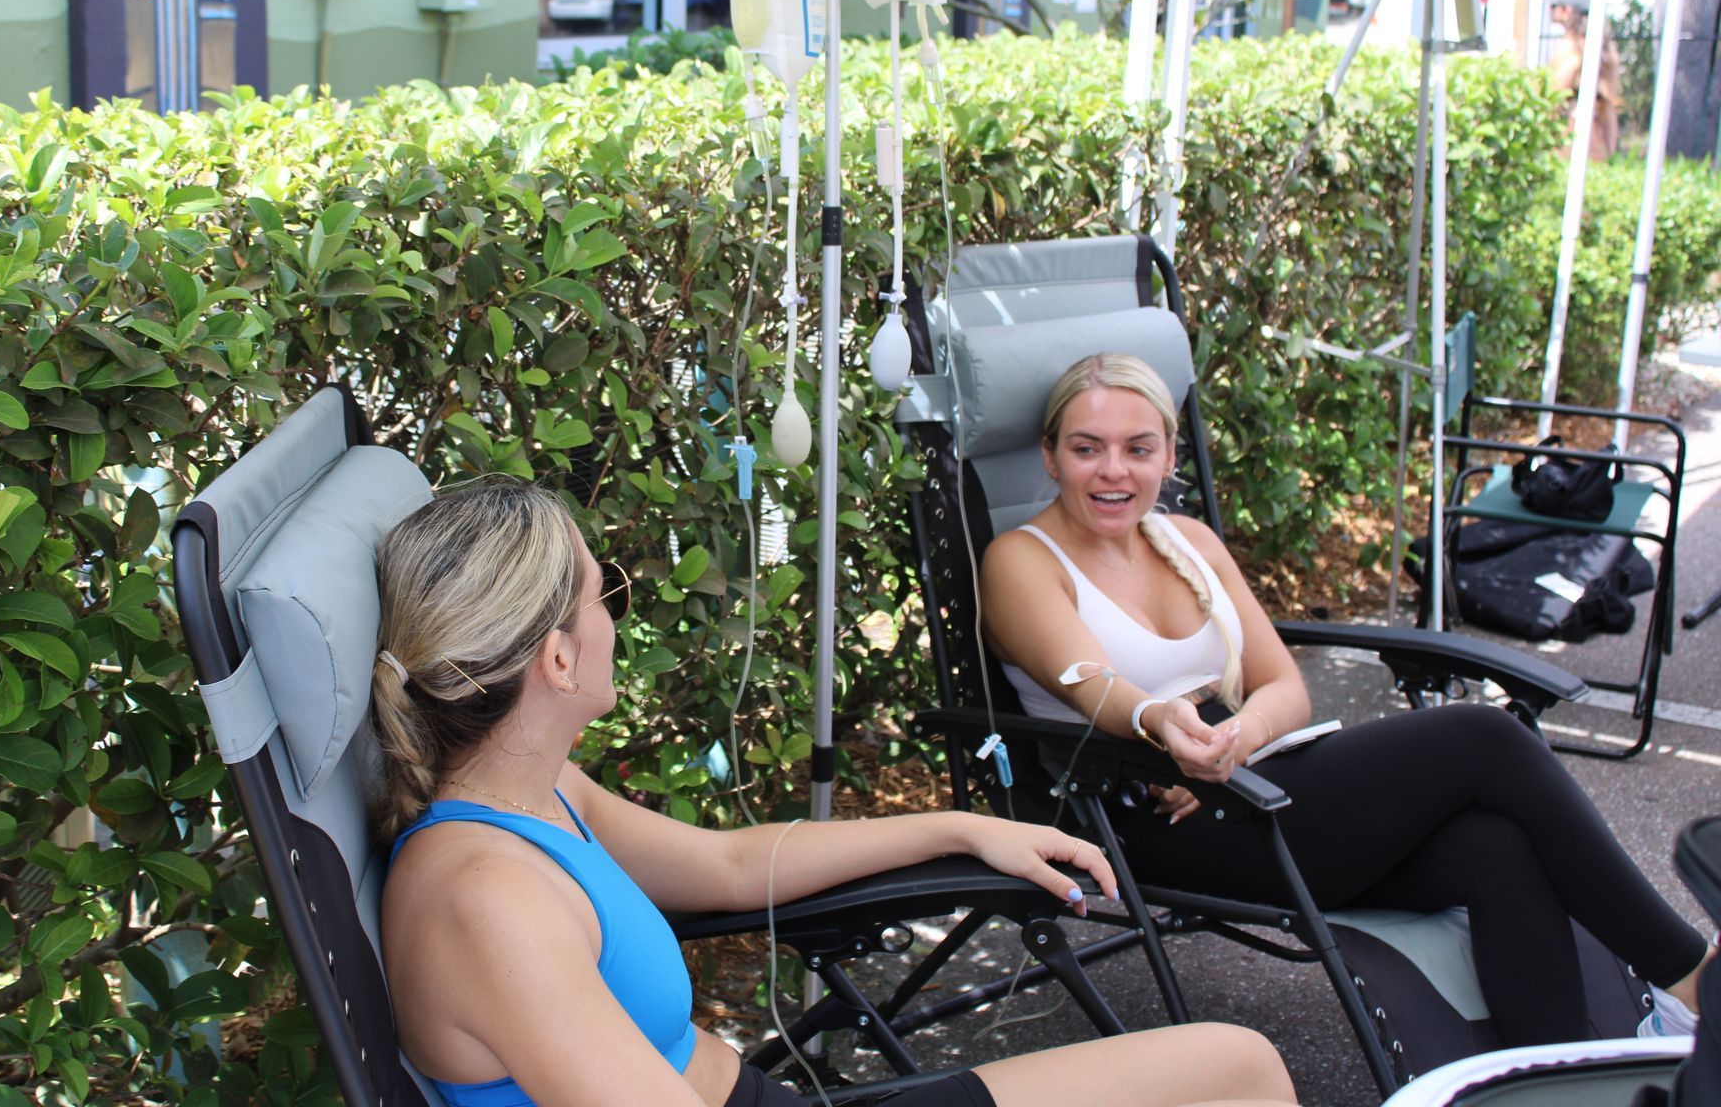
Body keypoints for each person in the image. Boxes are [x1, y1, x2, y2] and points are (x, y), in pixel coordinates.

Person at [369, 477, 1299, 1107]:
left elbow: (730, 864)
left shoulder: (531, 793)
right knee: (1234, 1077)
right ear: (559, 659)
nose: (615, 613)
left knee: (1233, 1067)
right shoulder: (484, 899)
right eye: (599, 591)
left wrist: (963, 829)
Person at [980, 352, 1716, 1049]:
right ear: (1050, 457)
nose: (1113, 470)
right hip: (1146, 817)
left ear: (1169, 457)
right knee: (1482, 737)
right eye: (1086, 448)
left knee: (1496, 848)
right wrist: (1160, 725)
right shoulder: (1022, 560)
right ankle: (1694, 981)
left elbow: (1285, 688)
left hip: (1255, 780)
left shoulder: (1191, 542)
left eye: (1138, 448)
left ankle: (1558, 1076)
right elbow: (1089, 681)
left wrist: (1232, 739)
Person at [1546, 0, 1623, 161]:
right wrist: (1610, 153)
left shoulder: (1568, 48)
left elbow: (1551, 100)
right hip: (1597, 141)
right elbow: (1610, 110)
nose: (1552, 10)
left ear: (1567, 11)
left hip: (1567, 138)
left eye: (1555, 6)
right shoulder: (1608, 53)